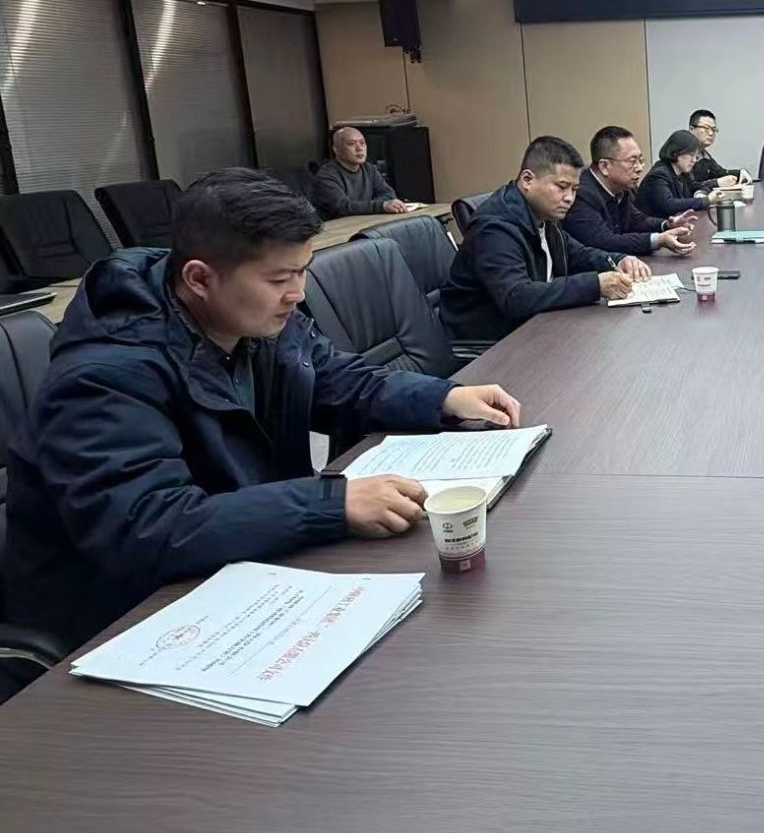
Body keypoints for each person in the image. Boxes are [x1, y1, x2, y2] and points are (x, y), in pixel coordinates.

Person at [0, 168, 521, 653]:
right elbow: (151, 527)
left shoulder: (248, 317)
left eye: (303, 271)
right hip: (120, 625)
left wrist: (440, 397)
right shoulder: (104, 375)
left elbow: (332, 376)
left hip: (241, 571)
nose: (298, 293)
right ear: (200, 278)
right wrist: (330, 504)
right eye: (279, 279)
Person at [441, 136, 651, 342]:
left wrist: (618, 260)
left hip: (535, 325)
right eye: (562, 187)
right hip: (488, 343)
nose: (569, 198)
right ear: (527, 180)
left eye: (574, 189)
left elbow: (577, 253)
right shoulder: (494, 228)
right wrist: (595, 285)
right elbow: (515, 297)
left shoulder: (543, 215)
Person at [566, 126, 697, 256]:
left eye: (640, 160)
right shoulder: (580, 194)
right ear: (604, 166)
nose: (639, 168)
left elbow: (636, 221)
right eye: (632, 161)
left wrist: (667, 224)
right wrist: (658, 240)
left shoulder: (622, 189)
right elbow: (604, 241)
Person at [312, 127, 408, 218]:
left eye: (362, 143)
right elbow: (343, 207)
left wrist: (371, 206)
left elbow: (389, 194)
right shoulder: (326, 175)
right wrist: (380, 206)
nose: (359, 148)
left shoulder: (369, 168)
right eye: (351, 144)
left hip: (366, 220)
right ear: (336, 149)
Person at [639, 130, 737, 219]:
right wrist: (706, 200)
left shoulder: (683, 172)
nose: (694, 160)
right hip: (656, 229)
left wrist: (703, 191)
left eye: (696, 156)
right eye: (691, 155)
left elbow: (695, 186)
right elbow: (670, 205)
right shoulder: (659, 174)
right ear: (676, 153)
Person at [688, 109, 746, 191]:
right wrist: (717, 183)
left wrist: (740, 173)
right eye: (706, 128)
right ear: (691, 130)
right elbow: (688, 187)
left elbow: (720, 173)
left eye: (713, 129)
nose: (711, 133)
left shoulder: (704, 155)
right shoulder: (682, 154)